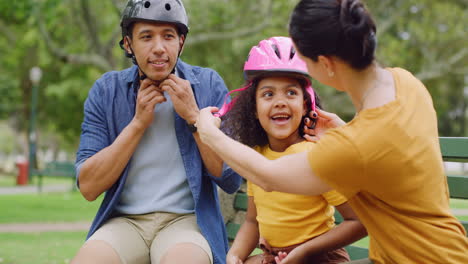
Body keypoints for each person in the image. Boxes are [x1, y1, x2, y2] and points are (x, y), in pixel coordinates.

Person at [195, 0, 468, 263]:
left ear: (325, 64)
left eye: (304, 60)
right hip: (448, 250)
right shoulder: (407, 84)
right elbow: (386, 156)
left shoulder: (352, 146)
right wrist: (344, 130)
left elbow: (268, 177)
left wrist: (210, 134)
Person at [71, 0, 242, 264]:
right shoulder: (106, 91)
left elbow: (229, 179)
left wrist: (195, 118)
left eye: (168, 36)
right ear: (128, 44)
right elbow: (89, 187)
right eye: (146, 37)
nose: (159, 48)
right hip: (125, 221)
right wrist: (138, 124)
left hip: (185, 221)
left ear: (181, 43)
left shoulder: (208, 84)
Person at [220, 37, 367, 264]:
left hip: (319, 257)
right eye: (268, 94)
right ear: (254, 109)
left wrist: (304, 251)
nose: (280, 102)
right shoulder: (257, 155)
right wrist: (235, 254)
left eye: (291, 93)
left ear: (306, 105)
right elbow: (252, 222)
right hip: (275, 257)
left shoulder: (316, 154)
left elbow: (358, 221)